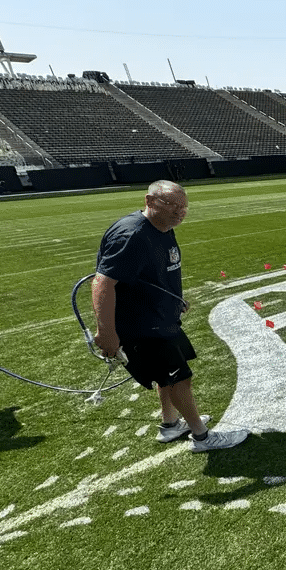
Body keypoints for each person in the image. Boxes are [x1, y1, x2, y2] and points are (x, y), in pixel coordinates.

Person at [92, 181, 247, 452]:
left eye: (183, 206)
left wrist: (175, 299)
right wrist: (107, 333)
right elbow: (103, 283)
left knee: (168, 375)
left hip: (161, 316)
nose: (179, 212)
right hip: (143, 325)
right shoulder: (132, 236)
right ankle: (202, 437)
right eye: (172, 205)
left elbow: (154, 274)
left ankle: (171, 423)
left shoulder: (163, 227)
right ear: (150, 202)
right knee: (178, 378)